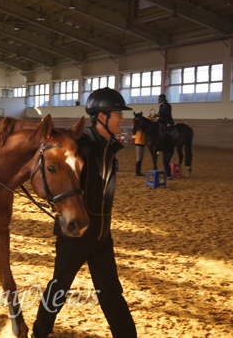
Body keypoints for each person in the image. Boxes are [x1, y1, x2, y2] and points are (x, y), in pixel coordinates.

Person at [31, 87, 137, 338]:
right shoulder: (79, 145)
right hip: (75, 235)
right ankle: (38, 334)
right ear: (101, 116)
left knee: (111, 293)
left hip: (101, 235)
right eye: (117, 114)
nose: (121, 118)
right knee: (59, 289)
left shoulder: (109, 147)